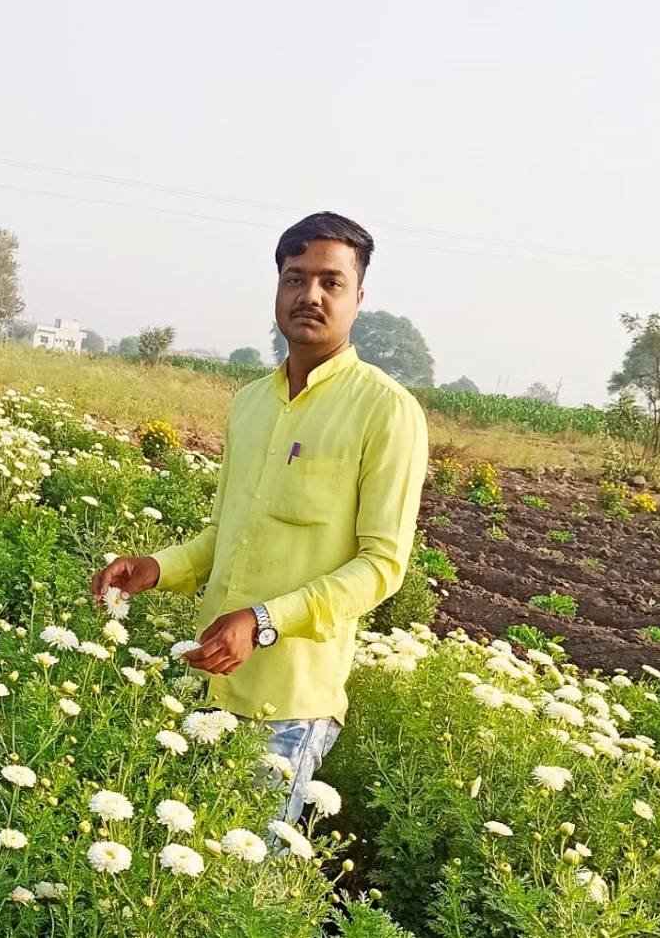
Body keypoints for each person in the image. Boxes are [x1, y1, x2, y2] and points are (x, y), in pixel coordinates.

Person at [92, 211, 429, 822]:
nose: (310, 296)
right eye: (295, 278)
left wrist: (263, 621)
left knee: (243, 884)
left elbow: (381, 566)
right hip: (207, 682)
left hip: (288, 706)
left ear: (359, 298)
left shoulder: (386, 411)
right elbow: (226, 534)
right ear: (277, 288)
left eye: (331, 282)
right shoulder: (250, 403)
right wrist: (154, 568)